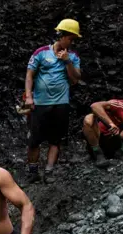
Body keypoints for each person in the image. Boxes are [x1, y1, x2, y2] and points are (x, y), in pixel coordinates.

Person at [24, 19, 82, 183]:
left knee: (56, 140)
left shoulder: (73, 56)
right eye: (70, 38)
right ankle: (33, 171)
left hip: (61, 104)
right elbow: (30, 75)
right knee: (34, 139)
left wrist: (67, 61)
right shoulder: (41, 53)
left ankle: (48, 172)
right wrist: (29, 96)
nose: (71, 42)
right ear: (61, 36)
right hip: (40, 103)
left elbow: (76, 79)